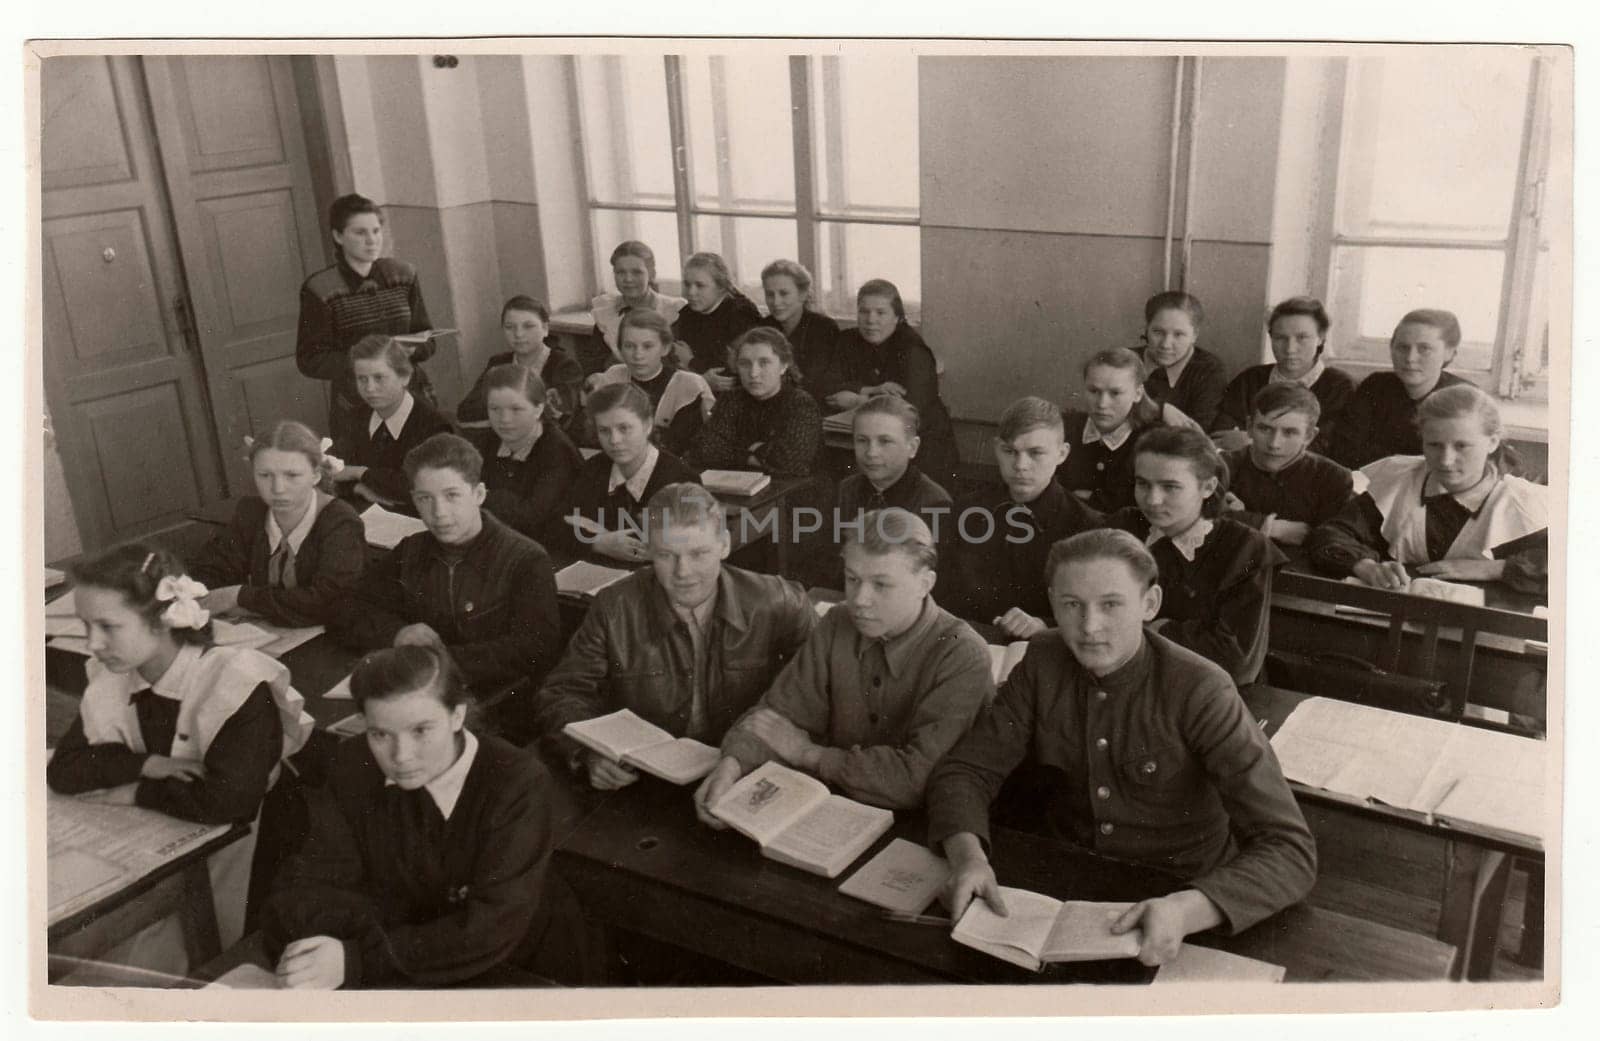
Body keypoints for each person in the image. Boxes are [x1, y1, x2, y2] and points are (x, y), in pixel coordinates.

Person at [925, 530, 1317, 966]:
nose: (1089, 627)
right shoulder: (1042, 658)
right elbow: (966, 771)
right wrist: (967, 857)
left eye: (1111, 604)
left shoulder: (1201, 688)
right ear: (1053, 603)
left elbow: (1290, 850)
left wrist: (1188, 909)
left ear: (1149, 605)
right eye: (1072, 606)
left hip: (1180, 892)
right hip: (1065, 883)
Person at [262, 645, 592, 988]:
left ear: (457, 716)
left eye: (421, 730)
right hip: (409, 959)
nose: (401, 756)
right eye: (380, 734)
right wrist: (323, 953)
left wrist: (357, 957)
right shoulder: (352, 766)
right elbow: (313, 883)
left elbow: (491, 927)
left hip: (521, 962)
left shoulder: (517, 781)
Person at [49, 544, 314, 955]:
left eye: (108, 626)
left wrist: (135, 790)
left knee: (147, 954)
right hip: (173, 833)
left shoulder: (235, 680)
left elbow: (229, 801)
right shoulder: (112, 678)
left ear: (162, 620)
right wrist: (149, 764)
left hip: (261, 852)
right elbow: (65, 770)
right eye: (86, 626)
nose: (93, 643)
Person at [694, 509, 993, 814]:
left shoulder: (963, 654)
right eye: (852, 579)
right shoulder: (838, 622)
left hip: (922, 828)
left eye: (881, 584)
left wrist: (808, 753)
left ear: (924, 584)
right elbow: (776, 715)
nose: (860, 599)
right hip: (832, 809)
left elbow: (912, 780)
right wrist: (730, 768)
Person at [534, 483, 818, 788]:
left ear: (724, 544)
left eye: (698, 553)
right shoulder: (615, 606)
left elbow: (822, 687)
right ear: (648, 550)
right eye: (667, 555)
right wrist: (588, 751)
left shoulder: (779, 601)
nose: (683, 571)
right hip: (648, 780)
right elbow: (562, 692)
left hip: (748, 771)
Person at [337, 434, 562, 740]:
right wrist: (397, 634)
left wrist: (434, 664)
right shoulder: (411, 550)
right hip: (418, 692)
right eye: (425, 499)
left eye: (452, 495)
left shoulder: (527, 560)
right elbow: (350, 607)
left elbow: (535, 650)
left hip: (497, 709)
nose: (439, 513)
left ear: (479, 493)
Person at [1308, 384, 1548, 596]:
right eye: (1434, 445)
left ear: (1493, 442)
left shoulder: (1520, 504)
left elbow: (1571, 571)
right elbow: (1332, 532)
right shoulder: (1399, 479)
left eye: (1462, 446)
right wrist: (1365, 565)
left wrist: (1499, 568)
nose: (1445, 460)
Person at [1106, 427, 1287, 686]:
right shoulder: (1123, 527)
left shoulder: (1245, 548)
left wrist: (1159, 630)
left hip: (1209, 695)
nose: (1153, 500)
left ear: (1207, 487)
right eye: (1143, 484)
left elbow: (1237, 662)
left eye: (1170, 487)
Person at [938, 397, 1103, 638]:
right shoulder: (966, 511)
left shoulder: (1088, 526)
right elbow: (941, 591)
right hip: (966, 642)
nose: (1020, 465)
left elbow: (1093, 609)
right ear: (996, 448)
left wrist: (1045, 625)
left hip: (1044, 647)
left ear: (1062, 453)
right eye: (1009, 451)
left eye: (1035, 453)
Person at [190, 421, 366, 628]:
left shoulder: (340, 522)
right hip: (264, 634)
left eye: (292, 475)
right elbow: (207, 574)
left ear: (316, 475)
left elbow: (327, 604)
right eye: (265, 475)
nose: (278, 488)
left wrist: (241, 597)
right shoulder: (250, 512)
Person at [297, 193, 437, 418]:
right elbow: (310, 360)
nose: (372, 240)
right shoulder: (319, 289)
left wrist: (413, 349)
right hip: (358, 404)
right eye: (360, 232)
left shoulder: (404, 275)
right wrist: (367, 362)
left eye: (376, 230)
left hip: (411, 394)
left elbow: (428, 340)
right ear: (338, 236)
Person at [810, 279, 958, 485]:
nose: (871, 320)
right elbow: (825, 385)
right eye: (864, 312)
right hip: (861, 440)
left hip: (919, 444)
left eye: (880, 313)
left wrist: (857, 401)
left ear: (897, 317)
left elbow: (910, 410)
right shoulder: (847, 340)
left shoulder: (913, 350)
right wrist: (871, 390)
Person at [552, 382, 702, 564]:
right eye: (604, 431)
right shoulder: (594, 468)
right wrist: (599, 542)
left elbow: (682, 547)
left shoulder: (682, 479)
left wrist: (590, 530)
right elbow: (557, 527)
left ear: (647, 425)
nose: (614, 440)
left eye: (624, 428)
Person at [1211, 296, 1357, 457]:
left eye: (1302, 338)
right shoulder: (1250, 379)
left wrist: (1252, 442)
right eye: (1281, 338)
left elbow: (1327, 447)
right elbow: (1222, 436)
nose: (1290, 348)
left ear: (1320, 339)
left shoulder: (1339, 386)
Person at [1328, 308, 1473, 469]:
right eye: (1403, 347)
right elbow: (1342, 452)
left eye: (1424, 349)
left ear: (1450, 353)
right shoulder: (1375, 386)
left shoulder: (1466, 399)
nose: (1410, 358)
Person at [1062, 347, 1198, 513]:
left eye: (1115, 393)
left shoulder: (1155, 439)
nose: (1102, 403)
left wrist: (1089, 499)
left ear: (1138, 393)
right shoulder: (1065, 428)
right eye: (1094, 391)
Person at [1219, 384, 1355, 546]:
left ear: (1309, 436)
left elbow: (1335, 540)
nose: (1274, 444)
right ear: (1249, 427)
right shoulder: (1222, 465)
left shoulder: (1333, 478)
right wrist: (1268, 526)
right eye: (1265, 429)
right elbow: (1191, 518)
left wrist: (1235, 518)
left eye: (1289, 432)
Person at [327, 335, 453, 507]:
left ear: (405, 377)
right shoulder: (359, 416)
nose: (370, 388)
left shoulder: (433, 425)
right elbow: (331, 469)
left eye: (379, 378)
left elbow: (421, 487)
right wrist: (358, 488)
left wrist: (361, 473)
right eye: (362, 379)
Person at [465, 364, 583, 541]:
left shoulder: (557, 451)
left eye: (516, 409)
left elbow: (530, 518)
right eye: (495, 409)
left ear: (538, 409)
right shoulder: (487, 442)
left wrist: (483, 496)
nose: (504, 419)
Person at [687, 327, 823, 478]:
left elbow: (791, 462)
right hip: (736, 485)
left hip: (790, 491)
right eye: (745, 363)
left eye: (764, 363)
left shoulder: (800, 403)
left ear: (784, 366)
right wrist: (754, 452)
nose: (753, 373)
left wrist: (736, 451)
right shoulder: (731, 399)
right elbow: (704, 450)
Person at [587, 309, 715, 458]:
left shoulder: (689, 385)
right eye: (629, 346)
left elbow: (676, 445)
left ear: (665, 348)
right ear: (620, 348)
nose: (638, 355)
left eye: (647, 346)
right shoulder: (612, 377)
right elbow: (595, 434)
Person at [455, 296, 584, 432]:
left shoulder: (565, 365)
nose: (518, 334)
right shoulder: (498, 363)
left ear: (545, 329)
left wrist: (497, 409)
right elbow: (466, 411)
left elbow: (559, 419)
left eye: (528, 326)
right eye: (509, 327)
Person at [836, 395, 954, 535]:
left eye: (885, 441)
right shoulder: (845, 491)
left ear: (912, 447)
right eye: (862, 440)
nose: (871, 453)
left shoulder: (934, 503)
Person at [1135, 291, 1230, 431]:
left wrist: (1152, 410)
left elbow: (1195, 433)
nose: (1166, 344)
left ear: (1194, 335)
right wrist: (1162, 412)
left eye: (1178, 334)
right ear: (1146, 329)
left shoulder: (1209, 370)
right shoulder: (1126, 360)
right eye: (1158, 332)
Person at [672, 251, 762, 388]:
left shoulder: (741, 314)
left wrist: (691, 363)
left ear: (721, 287)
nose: (691, 292)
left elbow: (729, 374)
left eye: (700, 285)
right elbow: (673, 354)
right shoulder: (688, 313)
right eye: (687, 284)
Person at [591, 240, 687, 362]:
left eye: (637, 272)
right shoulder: (606, 312)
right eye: (621, 272)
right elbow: (595, 364)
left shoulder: (673, 311)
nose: (628, 279)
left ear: (652, 274)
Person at [757, 258, 840, 381]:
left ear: (803, 294)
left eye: (784, 293)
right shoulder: (764, 327)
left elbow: (815, 382)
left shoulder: (823, 328)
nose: (776, 302)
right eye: (770, 294)